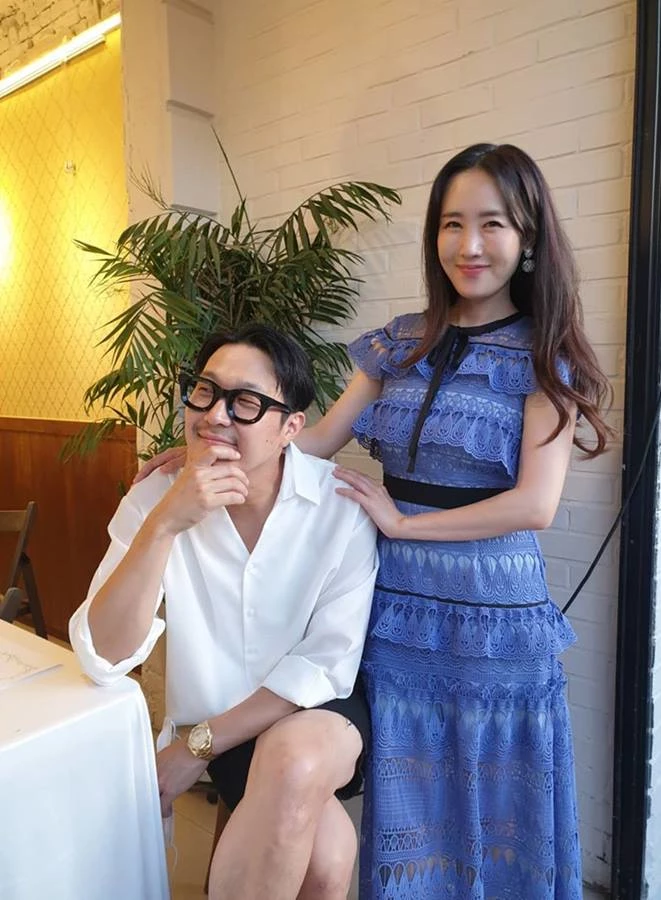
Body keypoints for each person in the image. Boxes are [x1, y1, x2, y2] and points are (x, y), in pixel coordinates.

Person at [139, 143, 612, 900]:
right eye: (451, 223)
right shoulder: (400, 342)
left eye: (492, 224)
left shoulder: (542, 354)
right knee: (410, 802)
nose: (469, 244)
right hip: (397, 614)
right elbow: (315, 439)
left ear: (527, 239)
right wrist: (214, 438)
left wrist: (405, 525)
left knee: (491, 802)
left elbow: (535, 504)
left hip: (490, 616)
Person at [69, 323, 379, 900]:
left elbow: (327, 661)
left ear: (291, 428)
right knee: (328, 857)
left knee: (293, 758)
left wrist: (195, 747)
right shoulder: (156, 496)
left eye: (246, 403)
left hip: (318, 708)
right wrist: (164, 525)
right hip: (226, 711)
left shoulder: (339, 507)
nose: (215, 415)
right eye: (206, 391)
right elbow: (103, 655)